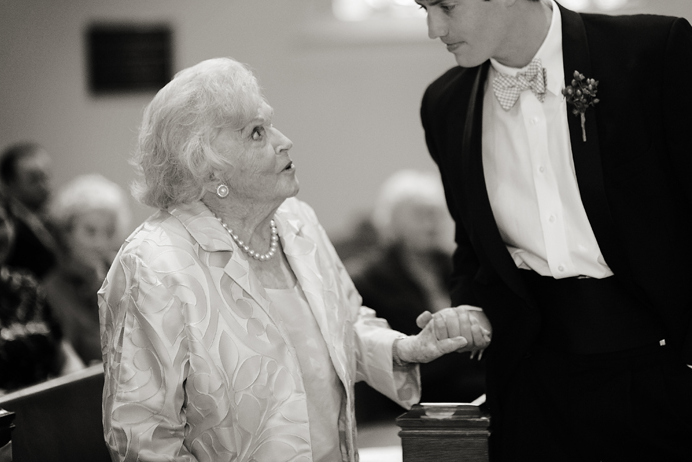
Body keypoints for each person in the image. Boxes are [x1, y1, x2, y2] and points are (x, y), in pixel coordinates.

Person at [400, 0, 692, 461]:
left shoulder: (652, 55)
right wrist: (472, 310)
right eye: (425, 9)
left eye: (445, 7)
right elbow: (474, 250)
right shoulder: (446, 106)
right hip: (532, 389)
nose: (434, 29)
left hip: (660, 368)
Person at [98, 58, 480, 462]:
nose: (284, 140)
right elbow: (142, 436)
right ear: (209, 171)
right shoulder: (153, 265)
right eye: (257, 133)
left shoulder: (298, 222)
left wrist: (404, 349)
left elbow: (347, 326)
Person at [347, 170, 484, 421]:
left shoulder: (457, 267)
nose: (431, 223)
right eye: (421, 215)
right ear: (391, 221)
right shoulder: (367, 279)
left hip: (472, 387)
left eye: (436, 214)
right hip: (409, 400)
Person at [0, 182, 84, 394]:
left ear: (13, 225)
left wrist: (78, 382)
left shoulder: (28, 285)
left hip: (47, 413)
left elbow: (63, 354)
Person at [46, 174, 131, 365]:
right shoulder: (53, 290)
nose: (100, 243)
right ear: (67, 233)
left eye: (108, 232)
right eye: (90, 231)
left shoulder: (127, 271)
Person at [0, 143, 59, 278]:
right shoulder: (8, 228)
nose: (44, 185)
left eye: (46, 176)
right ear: (8, 184)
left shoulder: (48, 222)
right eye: (34, 179)